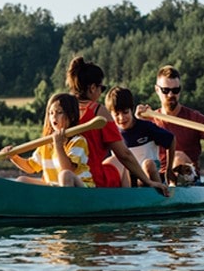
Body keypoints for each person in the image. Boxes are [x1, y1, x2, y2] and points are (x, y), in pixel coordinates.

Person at [65, 57, 169, 196]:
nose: (101, 92)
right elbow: (124, 154)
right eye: (101, 88)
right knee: (119, 162)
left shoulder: (61, 110)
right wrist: (148, 181)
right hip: (92, 180)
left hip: (64, 174)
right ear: (92, 88)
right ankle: (126, 204)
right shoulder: (98, 112)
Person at [137, 65, 204, 180]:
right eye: (166, 90)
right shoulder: (148, 120)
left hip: (188, 180)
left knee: (178, 156)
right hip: (157, 179)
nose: (170, 95)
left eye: (175, 90)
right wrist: (136, 123)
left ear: (180, 90)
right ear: (157, 90)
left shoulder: (195, 118)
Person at [3, 93, 95, 187]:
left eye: (59, 112)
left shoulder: (78, 141)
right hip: (54, 188)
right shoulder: (46, 143)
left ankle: (67, 201)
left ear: (71, 116)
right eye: (51, 113)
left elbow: (68, 169)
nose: (54, 117)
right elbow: (31, 167)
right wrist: (13, 157)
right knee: (21, 180)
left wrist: (58, 145)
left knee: (65, 175)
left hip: (81, 188)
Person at [104, 86, 176, 187]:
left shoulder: (146, 127)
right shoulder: (111, 131)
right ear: (110, 114)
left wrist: (169, 170)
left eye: (125, 112)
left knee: (148, 165)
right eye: (116, 114)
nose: (121, 118)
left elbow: (171, 140)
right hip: (128, 176)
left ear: (131, 109)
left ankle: (161, 190)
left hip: (149, 171)